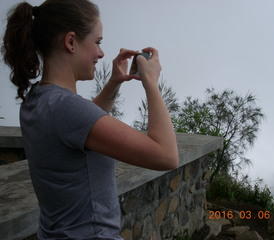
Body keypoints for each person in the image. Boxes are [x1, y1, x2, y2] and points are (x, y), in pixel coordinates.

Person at [1, 0, 179, 239]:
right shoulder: (67, 108)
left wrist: (114, 82)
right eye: (97, 42)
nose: (101, 53)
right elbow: (166, 156)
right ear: (71, 41)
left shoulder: (38, 100)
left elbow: (81, 128)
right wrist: (151, 82)